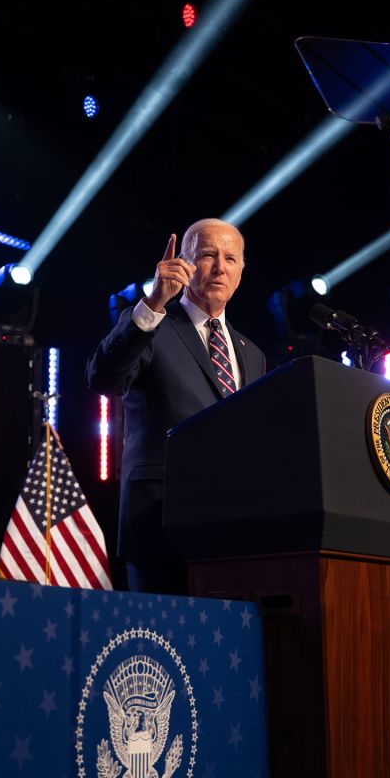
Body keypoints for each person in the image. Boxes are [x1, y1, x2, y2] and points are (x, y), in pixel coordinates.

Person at [86, 218, 267, 594]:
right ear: (183, 263)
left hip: (232, 532)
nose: (220, 267)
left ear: (242, 270)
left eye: (230, 258)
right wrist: (153, 303)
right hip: (160, 525)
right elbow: (103, 379)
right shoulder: (154, 324)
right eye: (207, 255)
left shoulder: (254, 355)